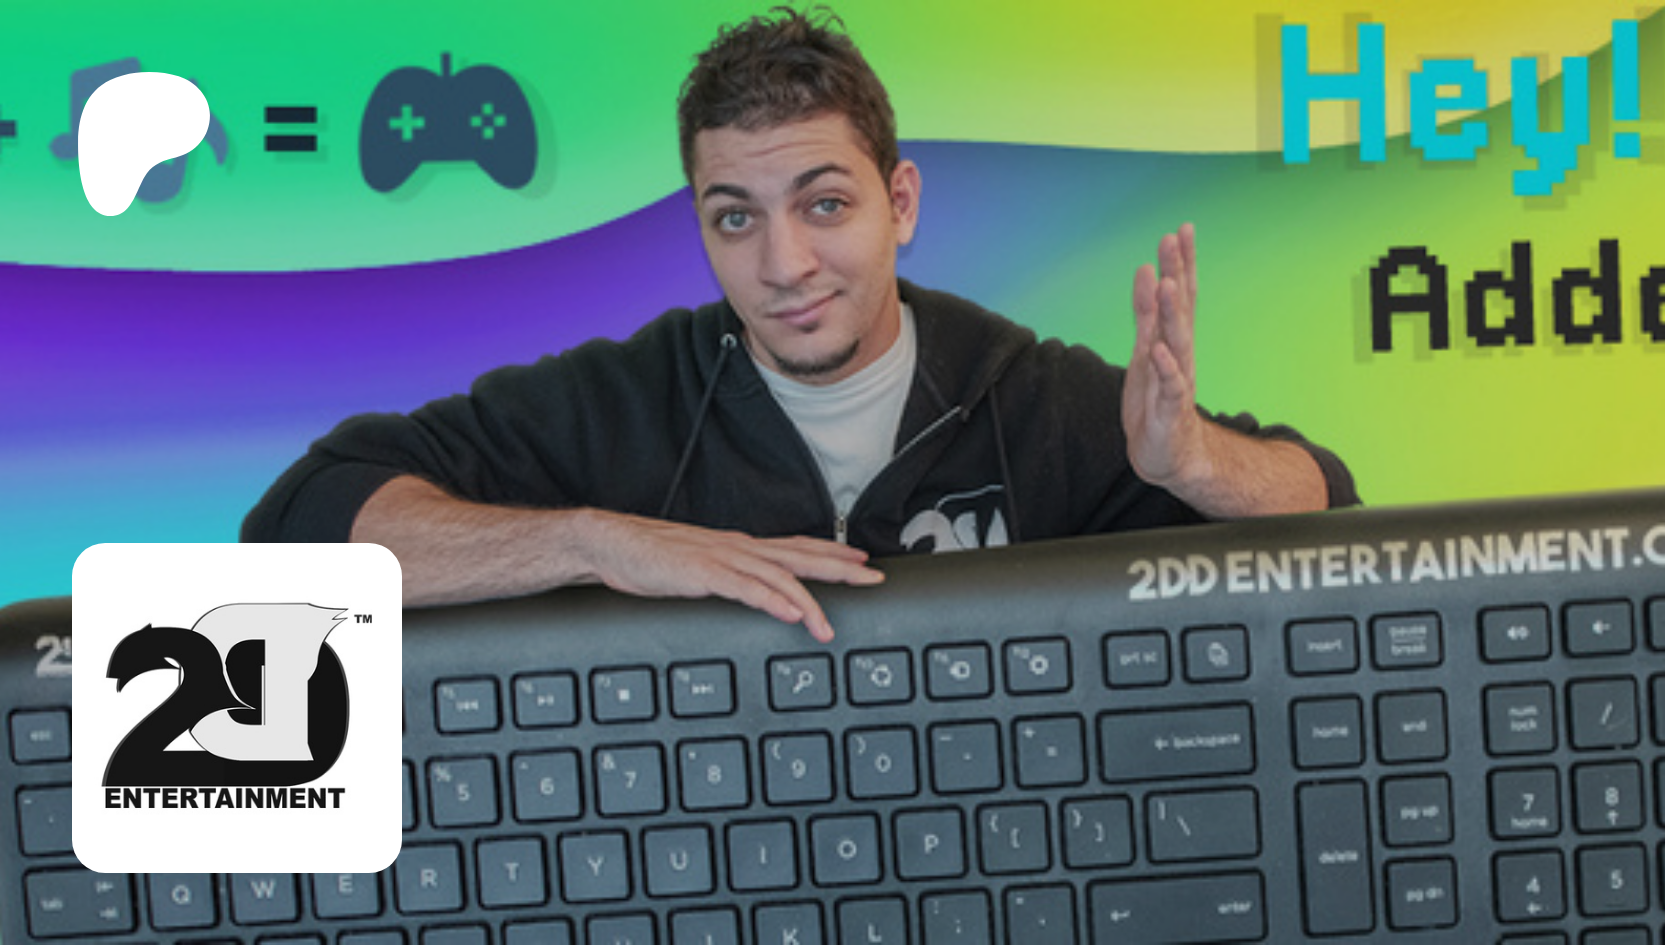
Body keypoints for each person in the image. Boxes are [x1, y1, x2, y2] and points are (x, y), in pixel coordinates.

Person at [242, 6, 1358, 642]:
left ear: (900, 202)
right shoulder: (621, 403)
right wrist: (591, 542)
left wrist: (1192, 461)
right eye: (736, 218)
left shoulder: (1026, 390)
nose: (783, 265)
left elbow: (1329, 506)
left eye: (824, 205)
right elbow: (303, 525)